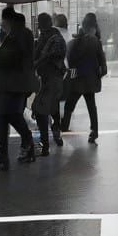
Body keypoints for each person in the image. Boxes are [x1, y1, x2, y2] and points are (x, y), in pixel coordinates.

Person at [0, 7, 36, 172]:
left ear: (8, 21)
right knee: (6, 116)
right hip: (7, 84)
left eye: (3, 21)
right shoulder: (11, 35)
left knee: (7, 116)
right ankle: (11, 151)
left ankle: (7, 154)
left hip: (13, 84)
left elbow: (10, 57)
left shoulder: (20, 36)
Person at [63, 12, 107, 143]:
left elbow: (70, 61)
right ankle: (94, 131)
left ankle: (63, 126)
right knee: (91, 107)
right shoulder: (95, 41)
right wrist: (99, 74)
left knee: (69, 106)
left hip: (77, 79)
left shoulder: (73, 42)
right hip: (90, 80)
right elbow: (102, 62)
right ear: (93, 27)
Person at [32, 12, 67, 154]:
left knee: (40, 110)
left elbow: (49, 56)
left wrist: (37, 62)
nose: (38, 26)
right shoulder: (49, 36)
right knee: (53, 108)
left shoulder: (53, 38)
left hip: (51, 79)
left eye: (40, 23)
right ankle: (55, 133)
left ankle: (45, 145)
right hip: (51, 79)